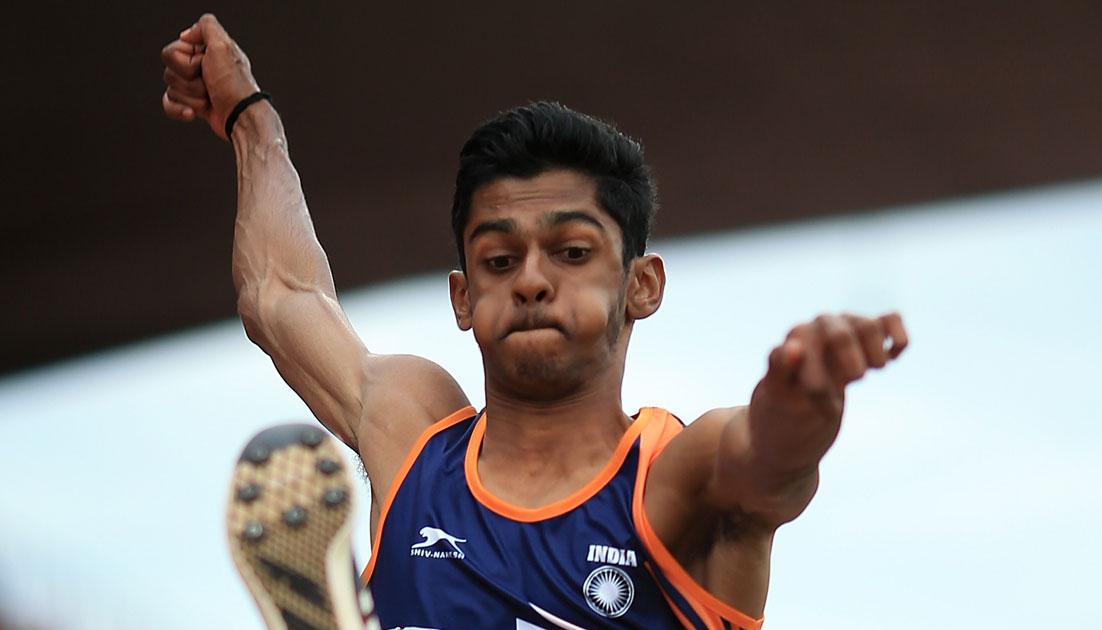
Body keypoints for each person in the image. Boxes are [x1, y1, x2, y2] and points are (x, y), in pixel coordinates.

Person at [161, 14, 908, 630]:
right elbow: (281, 297)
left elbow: (770, 463)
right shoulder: (413, 436)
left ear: (642, 286)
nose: (530, 281)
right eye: (498, 260)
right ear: (462, 298)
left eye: (572, 252)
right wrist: (250, 120)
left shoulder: (673, 479)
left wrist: (805, 399)